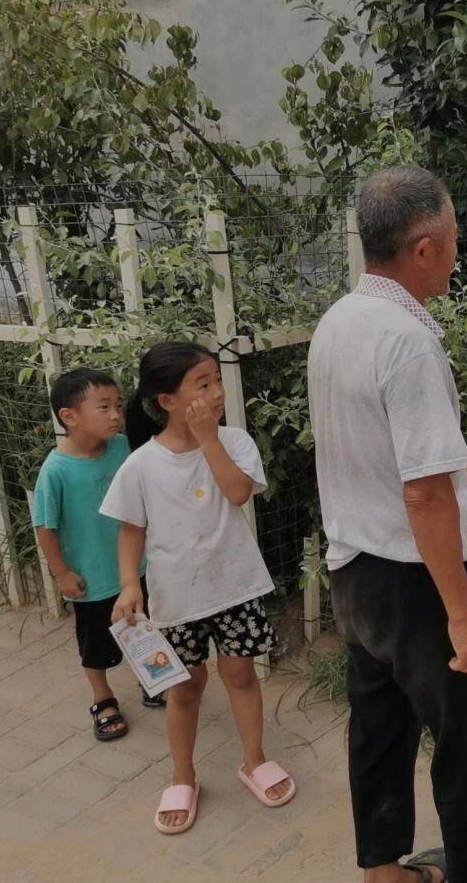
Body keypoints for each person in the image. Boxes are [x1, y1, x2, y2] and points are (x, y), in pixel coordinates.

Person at [308, 166, 467, 883]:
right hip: (415, 583)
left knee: (379, 728)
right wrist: (461, 613)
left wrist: (465, 468)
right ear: (424, 248)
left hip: (353, 574)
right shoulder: (408, 341)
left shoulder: (340, 321)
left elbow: (374, 444)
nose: (458, 256)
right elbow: (423, 495)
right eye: (453, 241)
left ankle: (383, 870)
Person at [102, 342, 296, 834]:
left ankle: (253, 761)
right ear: (167, 400)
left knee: (242, 677)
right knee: (183, 690)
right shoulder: (142, 464)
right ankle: (182, 775)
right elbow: (131, 530)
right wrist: (129, 585)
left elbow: (236, 493)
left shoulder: (235, 443)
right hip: (176, 599)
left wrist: (209, 439)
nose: (216, 392)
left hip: (235, 587)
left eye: (216, 381)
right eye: (202, 384)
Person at [31, 367, 164, 743]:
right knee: (95, 643)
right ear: (69, 416)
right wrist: (61, 573)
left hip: (137, 566)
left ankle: (152, 680)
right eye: (103, 407)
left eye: (117, 406)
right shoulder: (55, 470)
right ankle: (103, 699)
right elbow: (45, 526)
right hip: (91, 577)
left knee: (143, 627)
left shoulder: (124, 447)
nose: (114, 415)